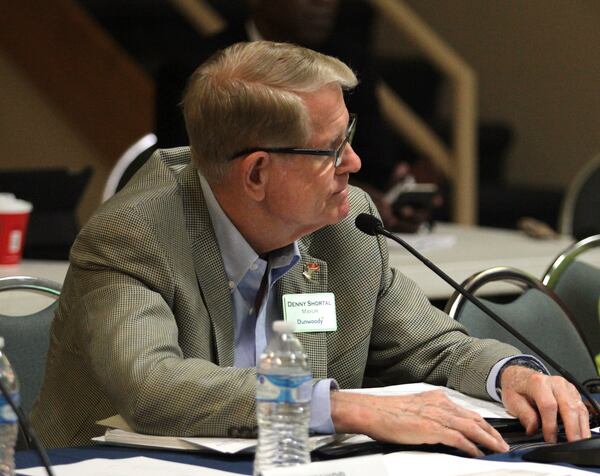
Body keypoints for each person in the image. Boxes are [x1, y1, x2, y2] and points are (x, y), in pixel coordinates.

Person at [32, 41, 589, 454]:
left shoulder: (347, 224)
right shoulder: (135, 234)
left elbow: (434, 348)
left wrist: (513, 374)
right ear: (256, 174)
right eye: (332, 148)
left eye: (349, 136)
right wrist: (341, 406)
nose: (355, 163)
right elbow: (154, 388)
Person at [156, 0, 439, 232]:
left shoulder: (350, 62)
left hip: (341, 227)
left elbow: (374, 164)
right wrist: (342, 188)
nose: (324, 3)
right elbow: (190, 169)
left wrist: (397, 194)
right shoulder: (199, 68)